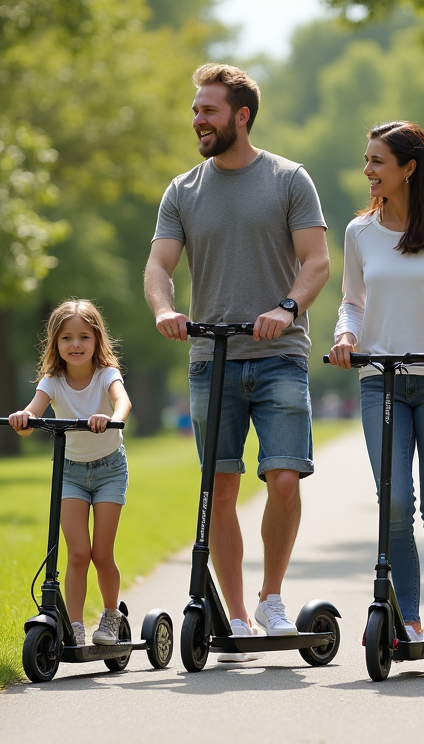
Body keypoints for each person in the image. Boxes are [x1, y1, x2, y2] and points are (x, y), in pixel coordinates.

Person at [144, 63, 329, 660]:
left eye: (209, 110)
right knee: (220, 488)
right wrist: (163, 309)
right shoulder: (183, 190)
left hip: (278, 355)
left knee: (282, 476)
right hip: (212, 358)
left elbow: (317, 262)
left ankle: (273, 596)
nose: (198, 119)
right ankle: (240, 615)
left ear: (241, 115)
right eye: (196, 109)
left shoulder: (288, 179)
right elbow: (158, 268)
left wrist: (287, 307)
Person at [329, 121, 424, 648]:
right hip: (381, 381)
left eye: (377, 161)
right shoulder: (359, 233)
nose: (367, 170)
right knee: (393, 501)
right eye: (366, 159)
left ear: (408, 168)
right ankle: (409, 617)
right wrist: (346, 335)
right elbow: (352, 301)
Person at [8, 299, 132, 647]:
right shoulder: (53, 380)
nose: (75, 345)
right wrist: (22, 419)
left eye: (83, 337)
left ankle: (110, 615)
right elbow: (32, 415)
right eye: (66, 338)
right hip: (71, 473)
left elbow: (123, 402)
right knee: (77, 553)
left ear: (96, 340)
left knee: (101, 554)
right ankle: (74, 624)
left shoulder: (106, 374)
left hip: (109, 470)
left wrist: (110, 417)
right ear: (55, 344)